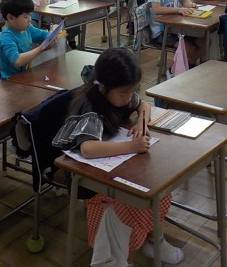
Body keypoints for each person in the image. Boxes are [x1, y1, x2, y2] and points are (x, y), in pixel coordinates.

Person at [52, 48, 183, 265]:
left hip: (113, 166)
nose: (128, 98)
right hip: (88, 177)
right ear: (103, 87)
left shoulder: (119, 95)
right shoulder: (90, 105)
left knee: (157, 190)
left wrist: (142, 122)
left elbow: (144, 105)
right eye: (123, 94)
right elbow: (88, 149)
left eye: (132, 91)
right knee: (133, 201)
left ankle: (153, 239)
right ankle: (123, 258)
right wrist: (131, 146)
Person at [0, 0, 52, 79]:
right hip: (11, 81)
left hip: (27, 75)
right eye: (26, 17)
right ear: (10, 18)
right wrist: (41, 48)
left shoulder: (28, 29)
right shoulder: (6, 37)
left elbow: (44, 35)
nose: (30, 20)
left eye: (30, 15)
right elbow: (17, 61)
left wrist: (52, 37)